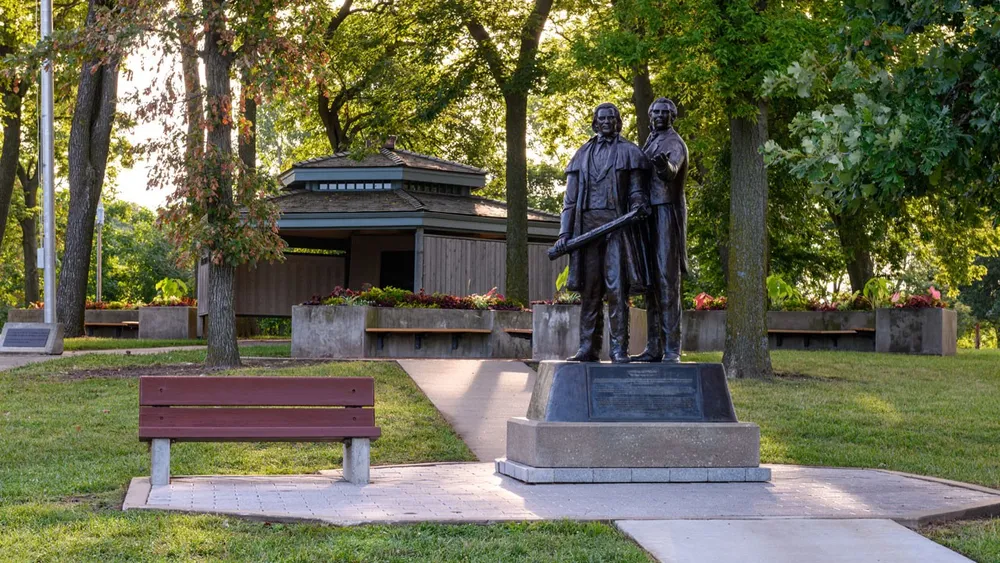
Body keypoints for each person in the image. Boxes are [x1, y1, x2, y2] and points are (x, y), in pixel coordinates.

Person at [553, 103, 649, 363]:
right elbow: (569, 201)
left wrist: (639, 204)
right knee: (590, 290)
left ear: (619, 122)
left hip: (616, 227)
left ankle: (619, 348)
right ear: (595, 123)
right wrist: (564, 234)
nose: (607, 122)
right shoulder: (581, 155)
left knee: (617, 288)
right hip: (586, 229)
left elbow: (637, 191)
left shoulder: (630, 152)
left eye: (612, 118)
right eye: (602, 118)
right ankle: (588, 347)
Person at [632, 97, 689, 363]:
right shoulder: (651, 141)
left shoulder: (673, 142)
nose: (659, 115)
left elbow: (672, 170)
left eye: (664, 112)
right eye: (655, 111)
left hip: (666, 213)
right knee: (651, 283)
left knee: (667, 281)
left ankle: (672, 349)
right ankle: (654, 346)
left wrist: (663, 165)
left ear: (672, 116)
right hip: (648, 215)